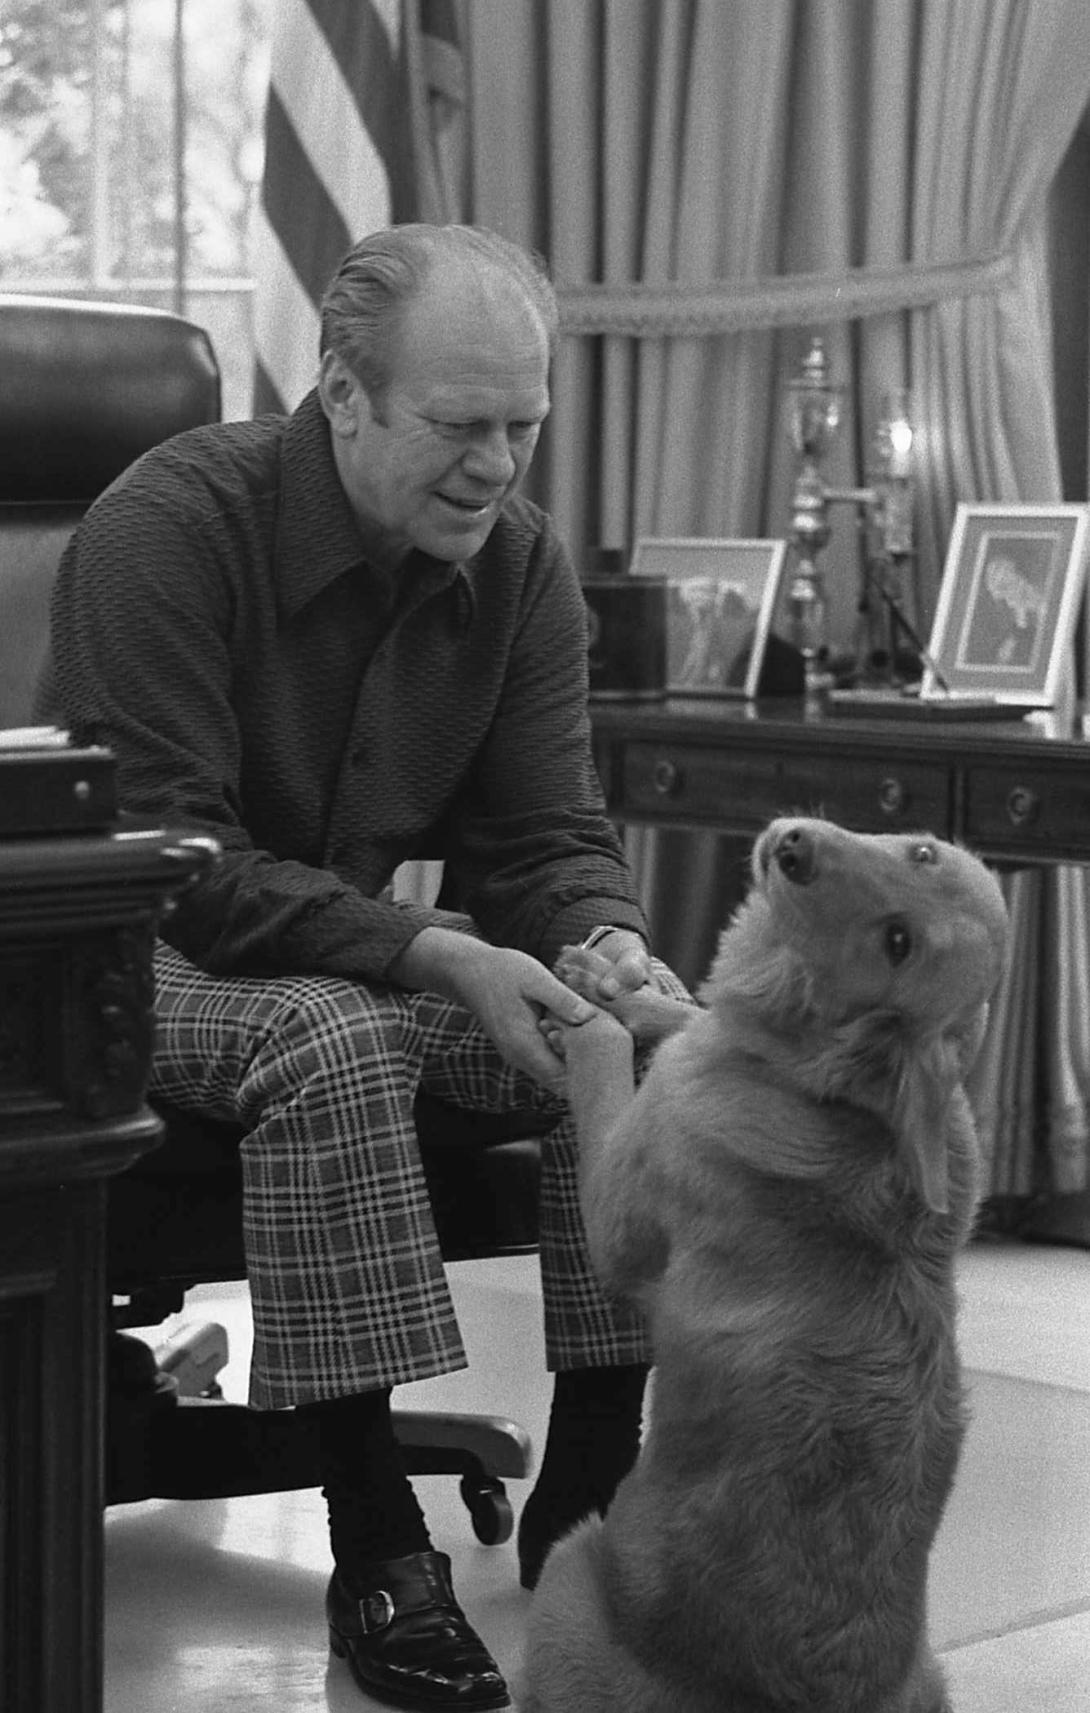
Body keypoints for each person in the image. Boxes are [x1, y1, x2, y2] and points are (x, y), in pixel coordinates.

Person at [41, 222, 687, 1712]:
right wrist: (432, 950)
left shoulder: (516, 568)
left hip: (333, 941)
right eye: (458, 428)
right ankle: (375, 1540)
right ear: (341, 395)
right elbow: (176, 860)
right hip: (114, 962)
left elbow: (543, 833)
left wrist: (603, 936)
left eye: (522, 428)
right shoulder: (171, 524)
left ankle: (599, 1474)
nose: (495, 468)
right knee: (337, 1033)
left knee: (623, 1030)